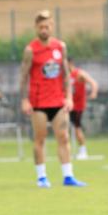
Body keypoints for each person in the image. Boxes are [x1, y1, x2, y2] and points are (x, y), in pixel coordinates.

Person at [19, 10, 85, 188]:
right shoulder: (30, 50)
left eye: (47, 26)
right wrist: (24, 99)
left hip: (58, 101)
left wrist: (69, 97)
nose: (44, 29)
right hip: (39, 103)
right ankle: (41, 177)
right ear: (36, 28)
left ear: (52, 27)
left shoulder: (60, 47)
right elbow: (24, 76)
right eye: (41, 26)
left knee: (63, 137)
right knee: (40, 138)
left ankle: (68, 176)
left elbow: (65, 74)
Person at [67, 58, 99, 160]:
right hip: (68, 105)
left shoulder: (79, 74)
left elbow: (93, 82)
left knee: (77, 127)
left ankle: (83, 151)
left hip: (78, 106)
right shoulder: (65, 75)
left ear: (70, 63)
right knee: (66, 128)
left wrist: (93, 92)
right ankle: (69, 150)